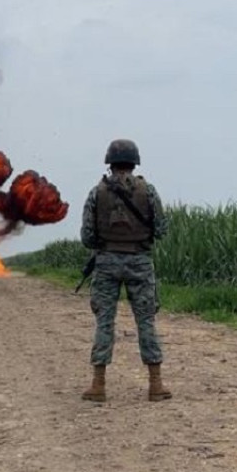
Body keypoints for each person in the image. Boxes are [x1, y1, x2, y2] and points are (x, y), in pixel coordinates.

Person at [78, 138, 171, 403]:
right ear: (134, 162)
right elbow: (162, 230)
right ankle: (155, 385)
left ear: (110, 163)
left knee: (104, 322)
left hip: (106, 263)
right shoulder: (148, 191)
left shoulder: (97, 193)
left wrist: (107, 246)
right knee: (146, 321)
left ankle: (98, 385)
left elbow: (87, 236)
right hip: (140, 262)